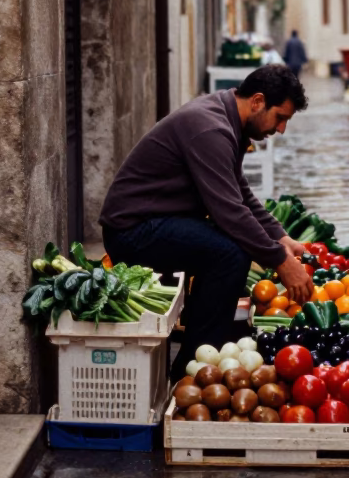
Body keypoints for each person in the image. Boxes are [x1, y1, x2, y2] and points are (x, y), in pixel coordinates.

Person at [99, 65, 313, 378]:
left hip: (160, 221)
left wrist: (281, 238)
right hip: (132, 232)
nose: (280, 129)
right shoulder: (211, 129)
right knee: (229, 253)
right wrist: (280, 261)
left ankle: (202, 349)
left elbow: (240, 192)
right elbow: (229, 211)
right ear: (257, 101)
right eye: (280, 117)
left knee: (228, 249)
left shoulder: (225, 119)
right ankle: (193, 368)